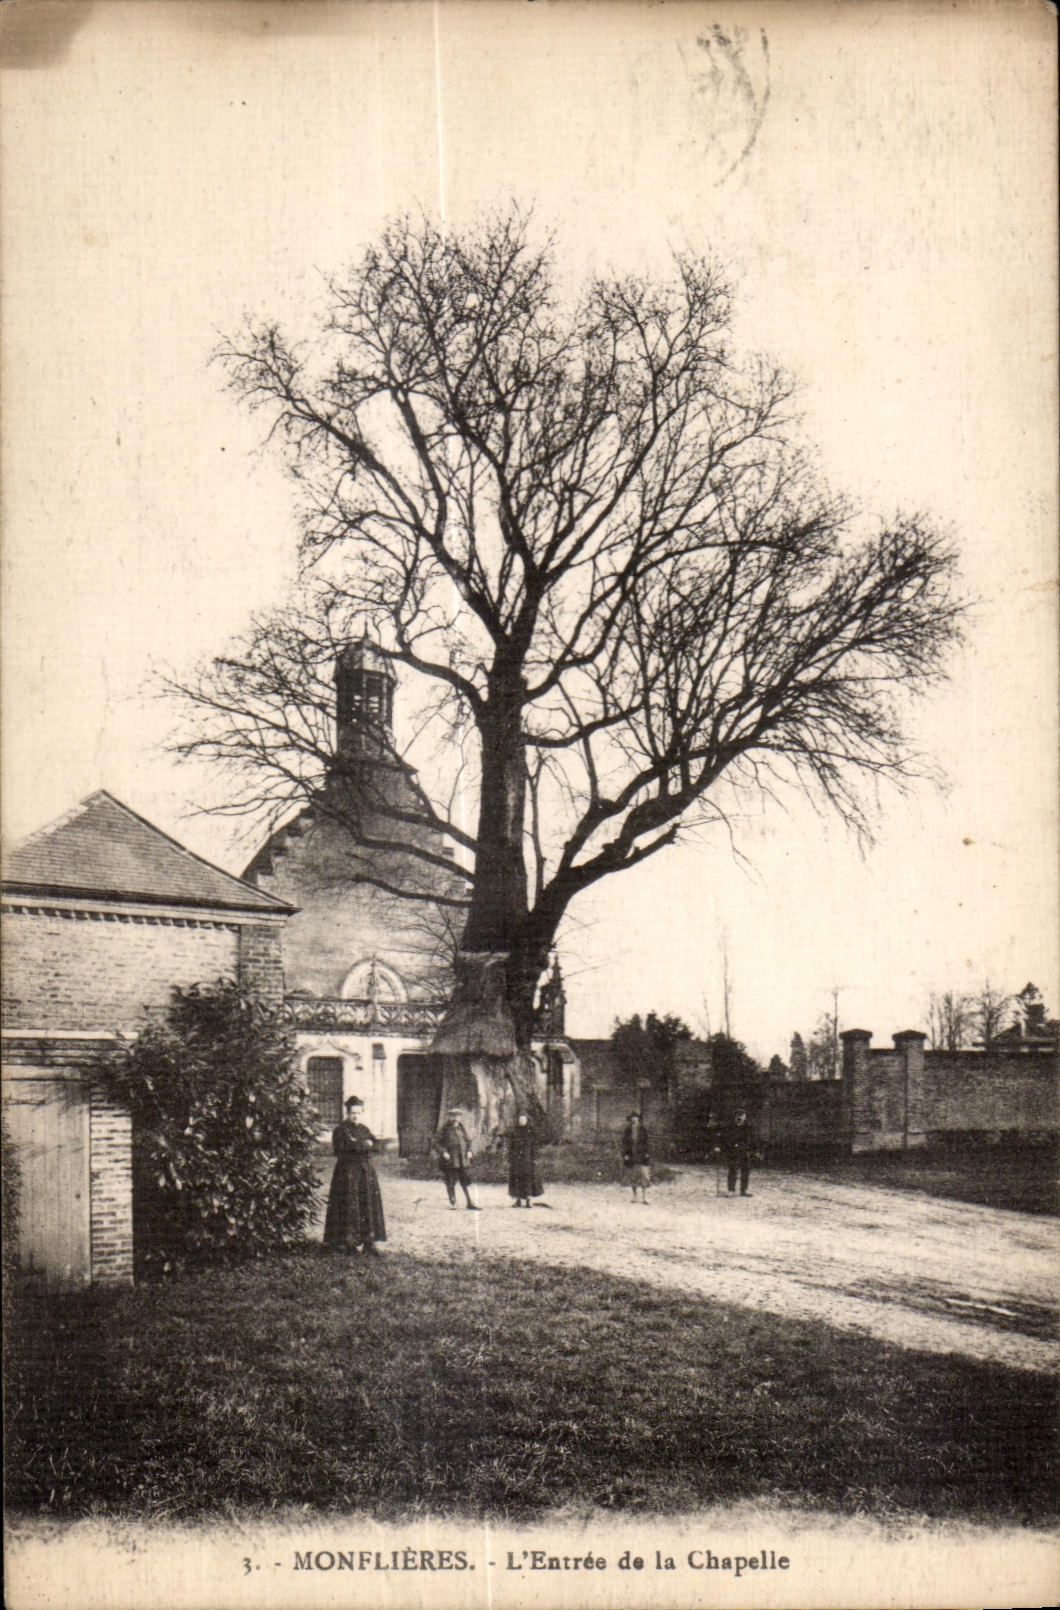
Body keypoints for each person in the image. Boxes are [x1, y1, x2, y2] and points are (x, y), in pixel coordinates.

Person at [323, 1095, 387, 1254]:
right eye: (352, 1112)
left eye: (358, 1113)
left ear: (362, 1112)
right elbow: (340, 1150)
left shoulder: (364, 1129)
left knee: (367, 1204)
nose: (355, 1116)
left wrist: (358, 1145)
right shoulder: (340, 1130)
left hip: (366, 1173)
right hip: (347, 1174)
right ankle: (347, 1242)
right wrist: (365, 1145)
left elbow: (378, 1146)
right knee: (349, 1205)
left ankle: (368, 1242)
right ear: (347, 1113)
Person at [431, 1106, 480, 1210]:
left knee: (465, 1182)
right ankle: (452, 1203)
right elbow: (435, 1142)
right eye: (453, 1116)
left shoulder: (461, 1128)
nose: (456, 1119)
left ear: (460, 1118)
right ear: (449, 1117)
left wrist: (470, 1151)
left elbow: (468, 1141)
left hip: (462, 1160)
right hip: (450, 1160)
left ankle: (469, 1203)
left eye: (458, 1117)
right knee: (450, 1181)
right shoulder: (444, 1129)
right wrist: (443, 1152)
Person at [506, 1109, 543, 1208]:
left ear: (527, 1120)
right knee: (517, 1179)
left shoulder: (531, 1132)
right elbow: (511, 1146)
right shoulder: (515, 1132)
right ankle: (517, 1200)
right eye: (520, 1119)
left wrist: (534, 1157)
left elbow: (535, 1146)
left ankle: (528, 1200)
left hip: (527, 1160)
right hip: (516, 1161)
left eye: (523, 1119)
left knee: (528, 1180)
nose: (521, 1121)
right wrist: (510, 1158)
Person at [723, 1107, 755, 1197]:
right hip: (733, 1152)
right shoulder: (729, 1128)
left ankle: (744, 1190)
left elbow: (752, 1139)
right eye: (738, 1116)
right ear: (735, 1117)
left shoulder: (748, 1128)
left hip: (745, 1152)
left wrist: (751, 1150)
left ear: (745, 1117)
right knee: (732, 1170)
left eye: (742, 1116)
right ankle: (731, 1190)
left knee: (745, 1171)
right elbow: (725, 1139)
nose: (740, 1118)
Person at [621, 1111, 651, 1203]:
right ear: (630, 1120)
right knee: (633, 1175)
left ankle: (644, 1197)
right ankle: (635, 1196)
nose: (634, 1119)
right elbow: (625, 1143)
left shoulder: (643, 1130)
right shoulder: (627, 1130)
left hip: (641, 1155)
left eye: (635, 1117)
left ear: (638, 1119)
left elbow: (647, 1142)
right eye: (632, 1118)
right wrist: (625, 1154)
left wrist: (647, 1153)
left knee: (644, 1175)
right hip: (631, 1155)